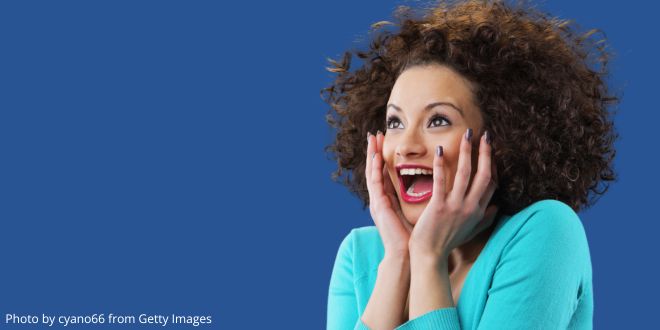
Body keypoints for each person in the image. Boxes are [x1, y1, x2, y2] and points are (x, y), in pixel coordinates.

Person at [322, 0, 618, 329]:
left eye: (438, 120)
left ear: (501, 137)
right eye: (394, 122)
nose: (405, 146)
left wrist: (428, 257)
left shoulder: (547, 231)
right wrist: (398, 259)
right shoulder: (359, 254)